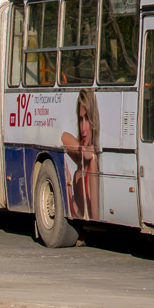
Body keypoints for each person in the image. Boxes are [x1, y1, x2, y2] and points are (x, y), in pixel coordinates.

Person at [62, 90, 100, 221]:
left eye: (87, 119)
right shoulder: (83, 154)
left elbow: (95, 216)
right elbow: (63, 137)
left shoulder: (93, 161)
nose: (83, 128)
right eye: (80, 119)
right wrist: (82, 150)